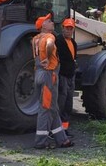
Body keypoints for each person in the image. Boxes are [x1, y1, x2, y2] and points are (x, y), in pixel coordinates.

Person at [32, 14, 74, 149]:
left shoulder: (35, 39)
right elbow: (50, 45)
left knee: (52, 107)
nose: (52, 23)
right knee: (45, 109)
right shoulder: (50, 37)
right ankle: (41, 142)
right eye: (49, 21)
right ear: (43, 26)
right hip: (49, 75)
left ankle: (62, 140)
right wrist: (49, 58)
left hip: (38, 74)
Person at [56, 17, 78, 136]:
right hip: (62, 75)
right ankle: (57, 129)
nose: (69, 31)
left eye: (71, 28)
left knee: (68, 103)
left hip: (70, 76)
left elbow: (73, 59)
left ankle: (64, 129)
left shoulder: (73, 43)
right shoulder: (58, 41)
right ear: (62, 28)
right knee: (61, 101)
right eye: (67, 28)